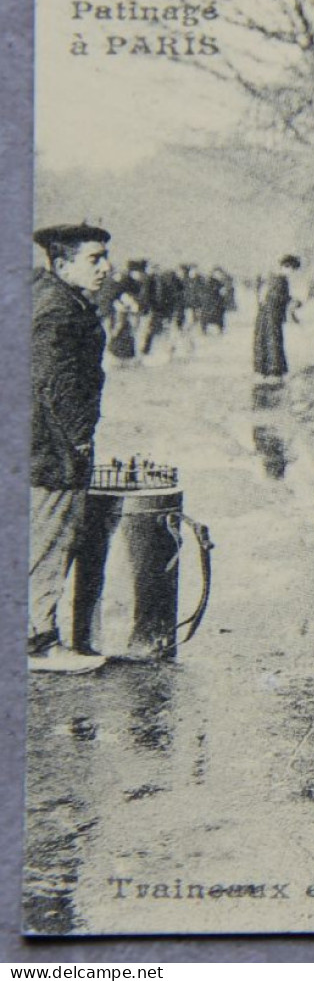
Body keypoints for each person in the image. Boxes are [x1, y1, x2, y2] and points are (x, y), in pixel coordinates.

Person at [30, 223, 113, 675]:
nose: (105, 267)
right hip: (51, 445)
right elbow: (58, 381)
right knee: (50, 538)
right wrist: (80, 437)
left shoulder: (49, 297)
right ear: (63, 265)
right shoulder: (60, 311)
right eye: (94, 259)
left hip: (37, 438)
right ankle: (37, 643)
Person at [253, 255, 301, 381]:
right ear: (287, 267)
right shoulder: (280, 280)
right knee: (273, 342)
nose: (292, 273)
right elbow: (276, 297)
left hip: (265, 316)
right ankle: (274, 372)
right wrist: (293, 301)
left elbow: (266, 297)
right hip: (272, 316)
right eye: (292, 270)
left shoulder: (271, 278)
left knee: (264, 342)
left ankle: (263, 371)